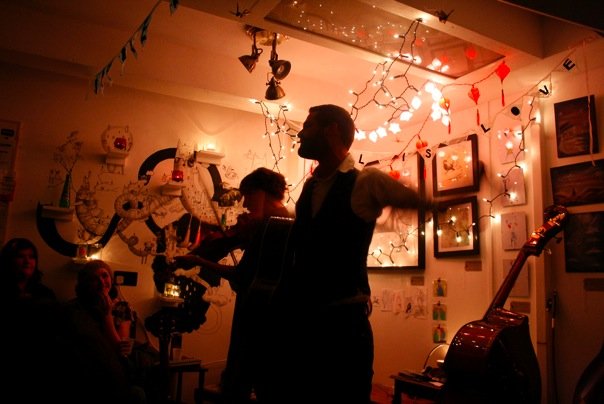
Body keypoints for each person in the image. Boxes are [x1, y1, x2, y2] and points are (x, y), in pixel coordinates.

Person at [266, 104, 437, 404]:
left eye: (307, 126)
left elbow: (418, 202)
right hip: (303, 323)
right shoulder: (311, 186)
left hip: (343, 327)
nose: (300, 134)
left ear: (331, 130)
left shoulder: (364, 181)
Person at [172, 167, 293, 403]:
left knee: (241, 382)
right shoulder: (288, 221)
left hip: (257, 318)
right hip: (275, 316)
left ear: (262, 192)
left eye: (248, 195)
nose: (245, 204)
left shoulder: (271, 226)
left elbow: (243, 275)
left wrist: (199, 260)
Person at [65, 259, 146, 404]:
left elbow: (120, 349)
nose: (102, 282)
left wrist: (107, 315)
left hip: (114, 368)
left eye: (104, 276)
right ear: (86, 283)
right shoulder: (74, 308)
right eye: (94, 278)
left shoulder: (121, 307)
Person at [0, 237, 56, 302]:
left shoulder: (45, 293)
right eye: (20, 256)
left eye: (31, 257)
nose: (27, 261)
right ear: (8, 260)